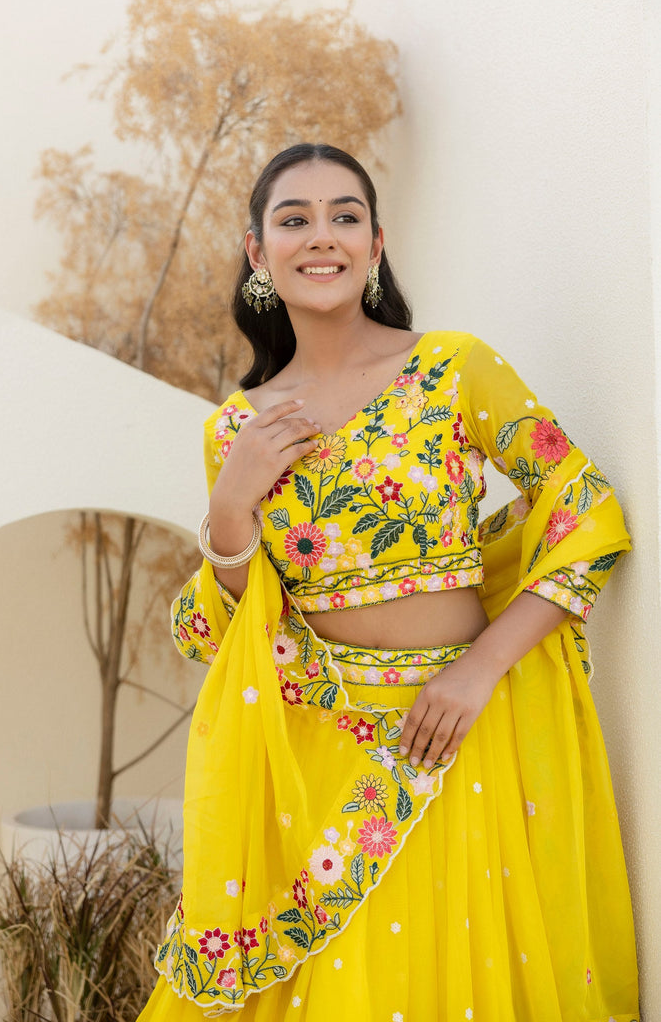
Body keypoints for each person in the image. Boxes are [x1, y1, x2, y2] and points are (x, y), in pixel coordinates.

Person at [137, 144, 639, 1021]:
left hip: (455, 737)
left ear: (375, 244)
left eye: (345, 216)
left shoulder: (452, 369)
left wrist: (479, 668)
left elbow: (586, 508)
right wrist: (228, 508)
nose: (321, 236)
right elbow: (231, 630)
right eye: (294, 219)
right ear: (258, 251)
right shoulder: (237, 431)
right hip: (318, 762)